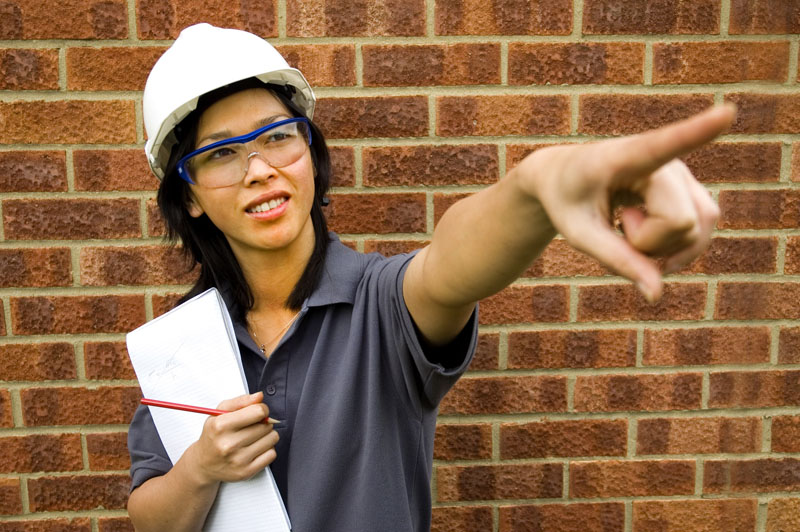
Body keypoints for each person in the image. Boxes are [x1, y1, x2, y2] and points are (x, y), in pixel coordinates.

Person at [126, 23, 735, 532]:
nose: (260, 168)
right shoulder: (181, 345)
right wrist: (202, 467)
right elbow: (150, 517)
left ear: (311, 155)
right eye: (222, 153)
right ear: (193, 196)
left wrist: (536, 188)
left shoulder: (383, 305)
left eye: (279, 136)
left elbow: (450, 264)